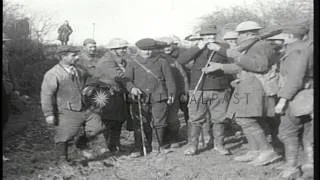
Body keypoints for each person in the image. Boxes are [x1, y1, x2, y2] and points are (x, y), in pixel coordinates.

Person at [202, 21, 281, 166]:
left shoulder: (260, 45)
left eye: (240, 34)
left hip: (256, 87)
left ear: (250, 33)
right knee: (246, 119)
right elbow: (243, 67)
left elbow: (259, 66)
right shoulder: (252, 46)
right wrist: (220, 66)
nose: (238, 37)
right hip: (247, 85)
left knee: (247, 119)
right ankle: (255, 150)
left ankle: (267, 151)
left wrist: (230, 52)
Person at [177, 25, 233, 156]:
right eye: (207, 36)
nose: (210, 39)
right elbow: (181, 60)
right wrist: (198, 47)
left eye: (212, 36)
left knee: (219, 118)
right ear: (201, 37)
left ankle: (219, 145)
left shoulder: (224, 47)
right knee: (195, 118)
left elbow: (233, 60)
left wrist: (219, 50)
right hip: (198, 88)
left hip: (219, 88)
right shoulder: (195, 48)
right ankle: (193, 146)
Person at [78, 38, 138, 154]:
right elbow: (120, 76)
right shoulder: (106, 61)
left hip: (118, 93)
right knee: (107, 121)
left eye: (125, 48)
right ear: (113, 50)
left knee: (119, 120)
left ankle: (114, 145)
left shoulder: (122, 60)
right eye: (121, 48)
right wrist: (132, 87)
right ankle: (86, 142)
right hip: (104, 93)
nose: (124, 50)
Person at [125, 38, 176, 157]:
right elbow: (127, 81)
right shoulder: (132, 62)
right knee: (141, 123)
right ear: (138, 49)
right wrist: (131, 88)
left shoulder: (162, 61)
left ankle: (158, 146)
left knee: (160, 122)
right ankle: (139, 147)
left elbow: (169, 79)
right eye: (144, 50)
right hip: (140, 98)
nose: (147, 52)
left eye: (150, 50)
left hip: (159, 96)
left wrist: (171, 93)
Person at [274, 22, 313, 179]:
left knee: (287, 132)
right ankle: (310, 165)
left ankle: (291, 168)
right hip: (309, 94)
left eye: (284, 35)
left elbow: (295, 78)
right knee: (308, 132)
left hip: (298, 97)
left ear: (290, 36)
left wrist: (283, 100)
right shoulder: (309, 47)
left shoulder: (297, 51)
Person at [41, 45, 88, 162]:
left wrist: (89, 87)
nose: (77, 58)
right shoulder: (53, 74)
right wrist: (49, 114)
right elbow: (46, 95)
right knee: (64, 134)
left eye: (77, 55)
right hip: (63, 108)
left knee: (96, 127)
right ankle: (62, 159)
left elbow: (91, 78)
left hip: (81, 106)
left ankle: (80, 144)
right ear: (63, 57)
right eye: (74, 55)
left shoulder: (79, 70)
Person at [157, 36, 189, 148]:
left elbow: (182, 76)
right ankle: (163, 140)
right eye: (163, 46)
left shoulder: (175, 60)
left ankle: (175, 138)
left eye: (169, 45)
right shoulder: (155, 59)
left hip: (174, 92)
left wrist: (184, 92)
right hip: (158, 93)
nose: (166, 48)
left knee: (173, 117)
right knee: (160, 117)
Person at [2, 33, 19, 161]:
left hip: (5, 91)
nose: (3, 45)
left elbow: (12, 72)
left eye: (4, 43)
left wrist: (16, 88)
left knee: (4, 118)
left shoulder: (5, 56)